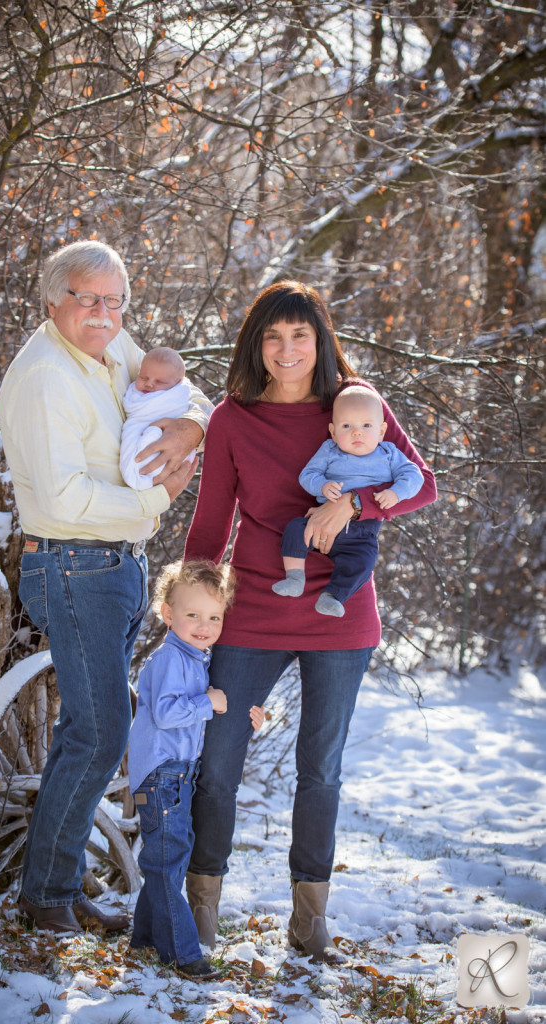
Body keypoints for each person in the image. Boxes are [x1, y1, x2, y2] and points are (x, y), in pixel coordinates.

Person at [183, 281, 437, 963]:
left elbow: (424, 484)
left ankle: (310, 917)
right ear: (256, 346)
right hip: (254, 609)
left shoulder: (356, 406)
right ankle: (202, 904)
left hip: (341, 614)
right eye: (273, 336)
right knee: (218, 762)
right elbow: (211, 522)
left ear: (320, 341)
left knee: (319, 769)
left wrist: (353, 508)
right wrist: (190, 613)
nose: (287, 349)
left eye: (300, 335)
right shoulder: (233, 419)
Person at [0, 240, 213, 935]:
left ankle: (56, 884)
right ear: (53, 298)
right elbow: (62, 499)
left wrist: (192, 424)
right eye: (89, 298)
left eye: (115, 300)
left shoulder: (114, 346)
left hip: (116, 565)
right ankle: (45, 895)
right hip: (72, 564)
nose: (103, 313)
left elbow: (182, 386)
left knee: (83, 731)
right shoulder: (43, 378)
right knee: (100, 734)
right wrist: (156, 504)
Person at [128, 560, 262, 979]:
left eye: (214, 617)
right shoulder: (170, 658)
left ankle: (146, 938)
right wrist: (209, 703)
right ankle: (182, 954)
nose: (204, 625)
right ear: (167, 615)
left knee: (167, 858)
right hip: (162, 775)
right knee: (168, 863)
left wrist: (246, 715)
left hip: (175, 775)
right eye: (192, 615)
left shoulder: (196, 657)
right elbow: (167, 714)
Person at [272, 385, 424, 617]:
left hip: (362, 533)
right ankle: (294, 578)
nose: (357, 432)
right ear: (333, 431)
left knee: (364, 560)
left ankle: (333, 596)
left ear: (382, 431)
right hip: (320, 521)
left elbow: (414, 476)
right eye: (347, 426)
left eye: (366, 425)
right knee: (295, 529)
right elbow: (308, 475)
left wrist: (396, 493)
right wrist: (322, 485)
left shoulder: (389, 453)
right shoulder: (330, 450)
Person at [120, 347, 196, 490]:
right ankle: (139, 470)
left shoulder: (179, 396)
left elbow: (202, 411)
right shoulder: (143, 365)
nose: (149, 384)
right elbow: (134, 409)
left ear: (177, 384)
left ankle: (144, 472)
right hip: (141, 426)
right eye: (143, 377)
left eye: (160, 382)